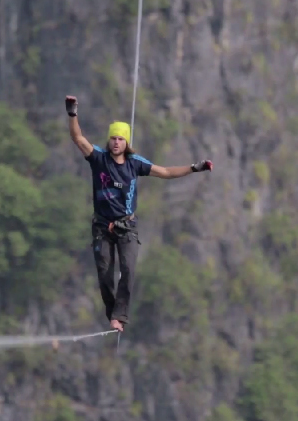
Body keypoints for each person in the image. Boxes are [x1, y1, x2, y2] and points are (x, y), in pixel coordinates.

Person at [65, 95, 213, 332]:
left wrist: (194, 168)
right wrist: (72, 113)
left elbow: (166, 172)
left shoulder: (135, 163)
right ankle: (113, 314)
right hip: (102, 226)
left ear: (126, 142)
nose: (116, 142)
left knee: (128, 268)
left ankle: (120, 315)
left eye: (120, 139)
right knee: (104, 271)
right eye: (113, 138)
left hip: (127, 226)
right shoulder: (99, 158)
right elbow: (77, 138)